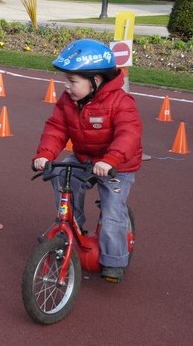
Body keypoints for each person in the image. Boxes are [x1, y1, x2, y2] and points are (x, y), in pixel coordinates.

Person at [32, 39, 143, 283]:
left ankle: (115, 261)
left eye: (73, 81)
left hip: (117, 165)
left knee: (112, 208)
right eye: (66, 80)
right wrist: (45, 155)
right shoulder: (68, 101)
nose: (67, 86)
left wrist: (111, 160)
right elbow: (56, 128)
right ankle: (71, 225)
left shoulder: (121, 103)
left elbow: (129, 134)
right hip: (84, 158)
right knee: (60, 174)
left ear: (97, 80)